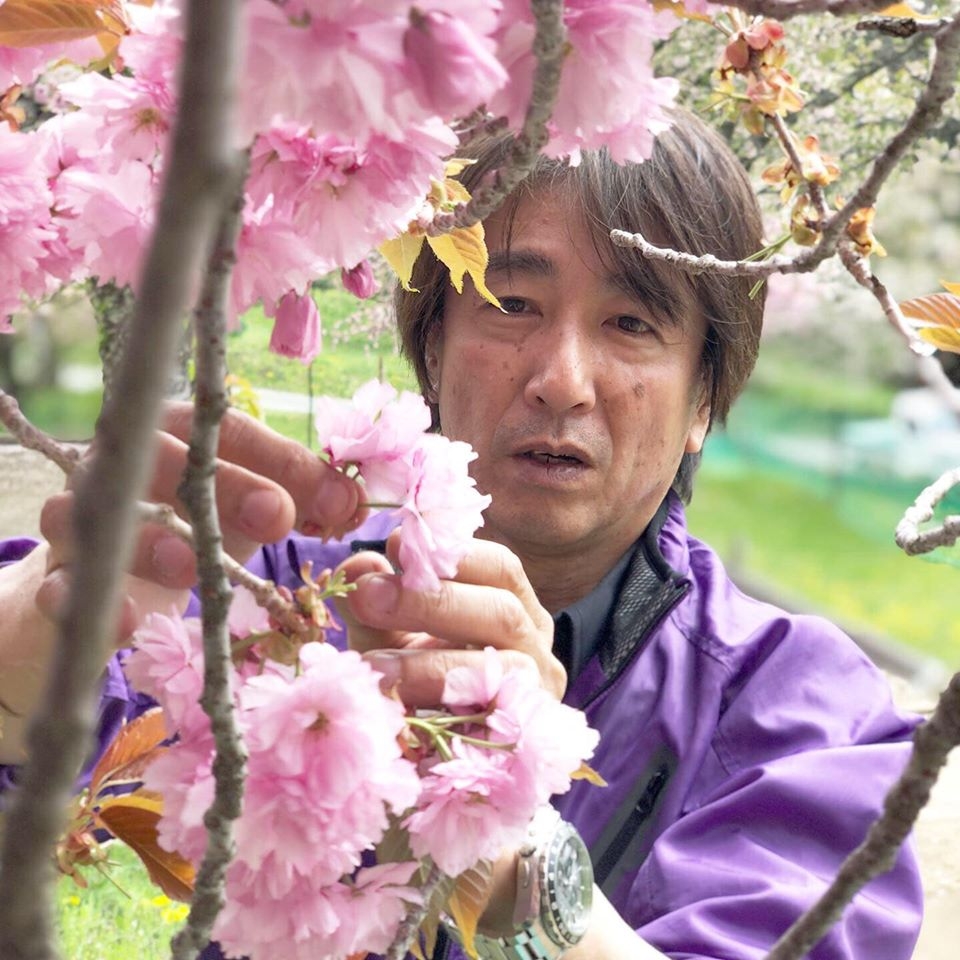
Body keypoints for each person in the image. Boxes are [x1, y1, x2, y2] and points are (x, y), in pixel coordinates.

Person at [0, 109, 923, 960]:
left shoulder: (800, 712)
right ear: (432, 349)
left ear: (704, 400)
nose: (563, 380)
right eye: (512, 304)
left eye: (632, 323)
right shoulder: (266, 588)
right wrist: (27, 658)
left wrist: (515, 854)